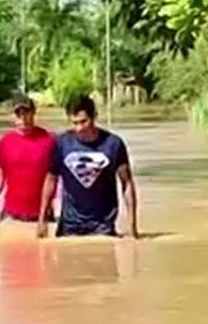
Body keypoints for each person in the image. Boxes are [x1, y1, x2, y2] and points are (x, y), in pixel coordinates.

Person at [37, 94, 139, 239]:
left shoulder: (113, 144)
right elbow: (51, 180)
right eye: (74, 123)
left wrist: (132, 225)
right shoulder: (61, 144)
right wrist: (42, 220)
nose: (79, 128)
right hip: (69, 226)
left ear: (95, 116)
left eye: (83, 122)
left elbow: (127, 183)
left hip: (103, 226)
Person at [0, 95, 56, 224]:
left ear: (34, 113)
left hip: (42, 216)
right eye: (18, 114)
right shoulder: (5, 142)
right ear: (12, 116)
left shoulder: (49, 140)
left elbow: (57, 179)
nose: (23, 118)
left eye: (26, 113)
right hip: (11, 216)